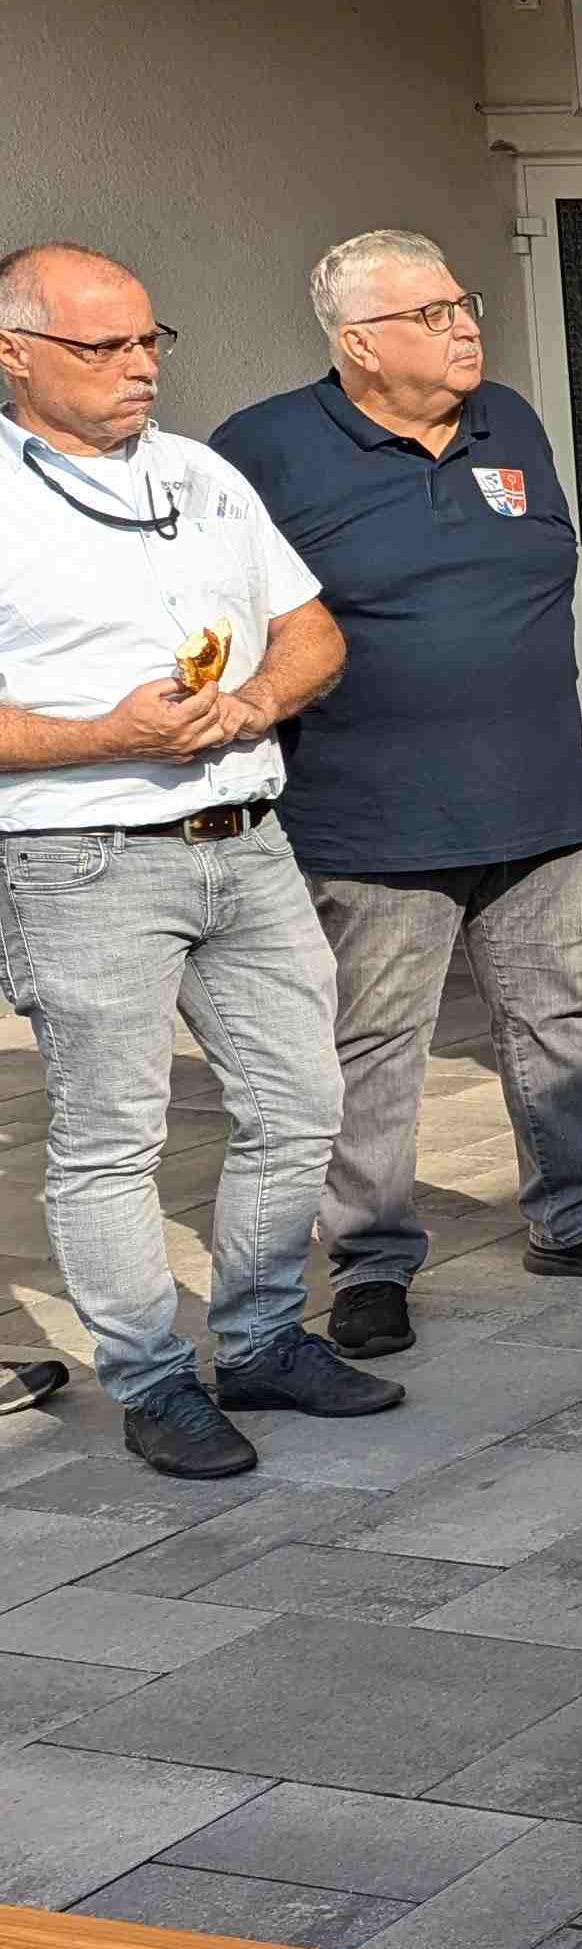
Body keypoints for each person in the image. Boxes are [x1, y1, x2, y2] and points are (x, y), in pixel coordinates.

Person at [212, 232, 582, 1362]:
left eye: (462, 303)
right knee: (378, 1043)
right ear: (359, 345)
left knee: (554, 1019)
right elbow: (223, 617)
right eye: (430, 314)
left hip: (535, 795)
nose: (465, 324)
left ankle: (574, 1214)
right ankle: (371, 1260)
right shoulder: (264, 448)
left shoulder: (506, 420)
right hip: (374, 817)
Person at [0, 242, 395, 1478]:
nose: (139, 366)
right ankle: (153, 1379)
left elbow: (310, 630)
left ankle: (263, 1339)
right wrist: (107, 736)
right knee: (112, 1137)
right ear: (15, 353)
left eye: (148, 340)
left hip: (247, 841)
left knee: (300, 1102)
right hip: (81, 858)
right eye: (103, 346)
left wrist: (258, 700)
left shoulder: (202, 475)